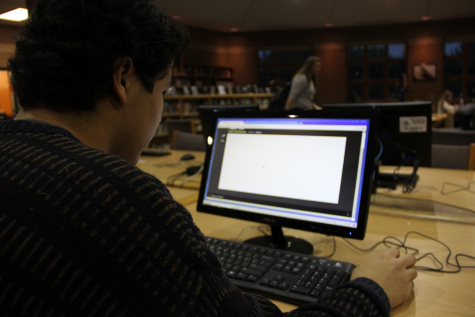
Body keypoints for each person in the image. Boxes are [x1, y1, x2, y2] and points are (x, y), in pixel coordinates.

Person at [0, 1, 417, 316]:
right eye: (163, 91)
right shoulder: (118, 197)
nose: (162, 106)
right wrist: (369, 289)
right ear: (123, 79)